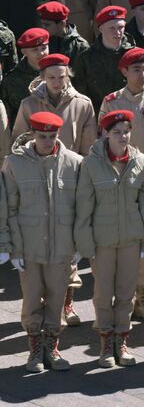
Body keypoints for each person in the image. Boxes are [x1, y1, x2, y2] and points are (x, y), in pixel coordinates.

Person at [3, 111, 84, 372]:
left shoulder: (74, 163)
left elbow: (82, 208)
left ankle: (52, 347)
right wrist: (11, 247)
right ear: (32, 134)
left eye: (52, 136)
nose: (47, 141)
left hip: (62, 246)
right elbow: (8, 209)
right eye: (42, 136)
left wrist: (80, 245)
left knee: (56, 298)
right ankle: (35, 351)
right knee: (31, 299)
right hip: (29, 245)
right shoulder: (15, 163)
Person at [98, 47, 144, 324]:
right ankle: (122, 299)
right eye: (136, 70)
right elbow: (101, 142)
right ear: (124, 72)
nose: (142, 74)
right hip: (118, 183)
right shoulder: (110, 101)